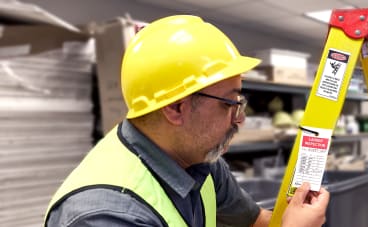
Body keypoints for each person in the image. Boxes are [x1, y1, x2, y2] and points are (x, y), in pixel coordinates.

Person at [44, 15, 329, 227]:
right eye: (230, 104)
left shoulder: (200, 163)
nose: (239, 121)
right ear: (177, 108)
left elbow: (256, 221)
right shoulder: (106, 214)